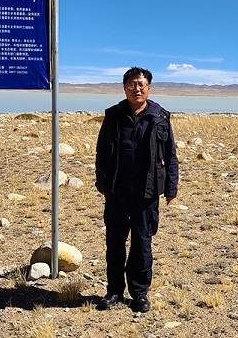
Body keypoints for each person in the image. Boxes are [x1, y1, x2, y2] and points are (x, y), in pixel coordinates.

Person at [94, 66, 179, 312]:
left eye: (141, 84)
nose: (137, 89)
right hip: (117, 191)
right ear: (124, 88)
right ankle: (113, 291)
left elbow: (170, 155)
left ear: (149, 88)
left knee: (142, 245)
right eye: (132, 84)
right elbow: (101, 152)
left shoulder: (160, 116)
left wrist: (171, 187)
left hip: (147, 193)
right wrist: (102, 183)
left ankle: (139, 293)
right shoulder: (113, 115)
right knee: (115, 244)